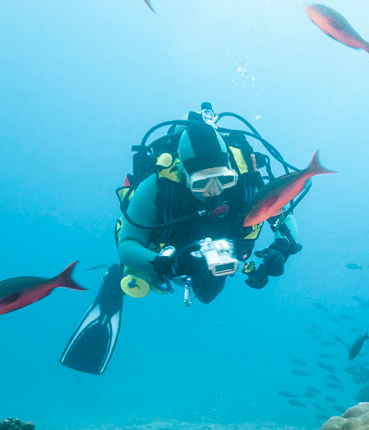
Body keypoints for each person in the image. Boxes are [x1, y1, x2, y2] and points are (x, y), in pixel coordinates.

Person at [61, 104, 305, 374]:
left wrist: (281, 248)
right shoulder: (158, 185)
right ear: (184, 175)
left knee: (208, 295)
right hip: (168, 255)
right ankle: (114, 283)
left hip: (224, 253)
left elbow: (284, 216)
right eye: (202, 183)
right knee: (143, 276)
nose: (215, 191)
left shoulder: (247, 179)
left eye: (223, 179)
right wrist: (168, 264)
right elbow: (128, 245)